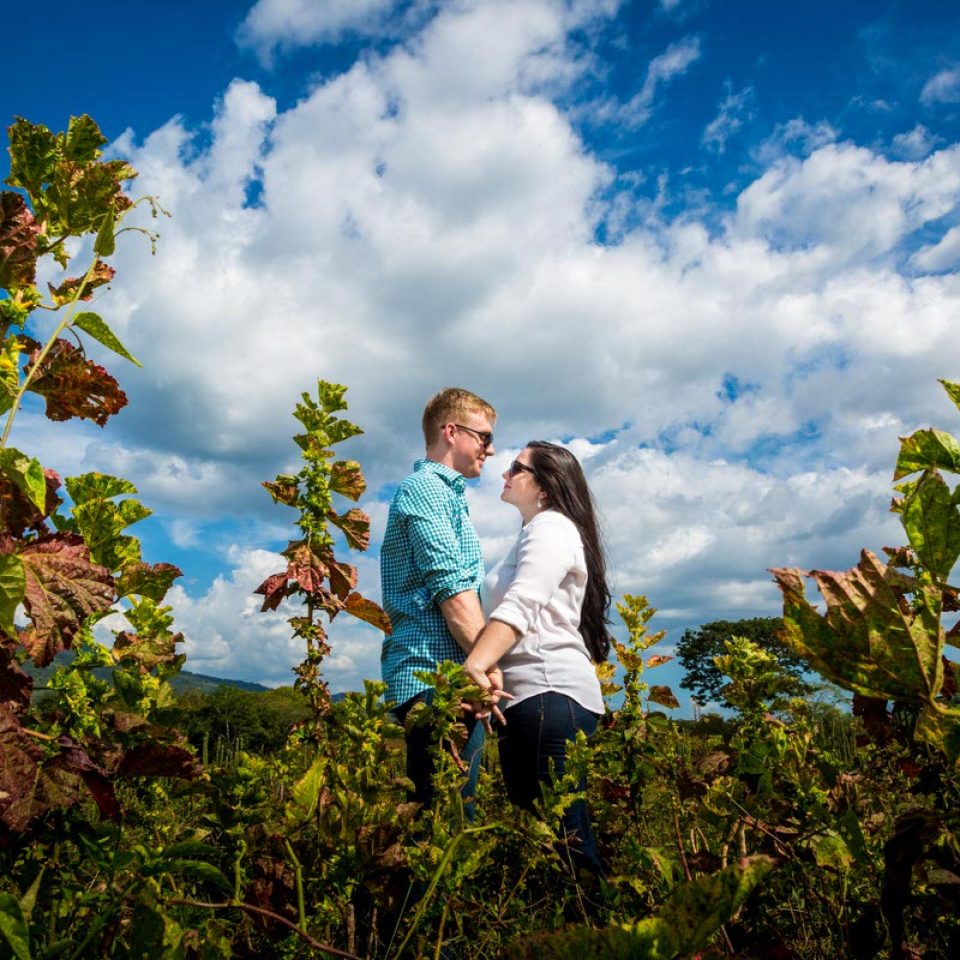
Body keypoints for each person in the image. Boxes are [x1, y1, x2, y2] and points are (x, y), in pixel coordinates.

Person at [464, 441, 611, 879]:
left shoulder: (550, 527)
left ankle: (603, 930)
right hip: (538, 700)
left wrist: (475, 664)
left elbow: (523, 602)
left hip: (548, 694)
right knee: (555, 840)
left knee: (563, 842)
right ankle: (591, 928)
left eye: (516, 467)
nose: (504, 473)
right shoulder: (540, 531)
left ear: (545, 487)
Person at [380, 387, 498, 814]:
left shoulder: (448, 496)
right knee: (442, 820)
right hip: (435, 679)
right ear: (452, 431)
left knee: (450, 817)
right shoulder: (426, 489)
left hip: (450, 679)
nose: (490, 448)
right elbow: (452, 590)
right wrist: (487, 661)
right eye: (484, 436)